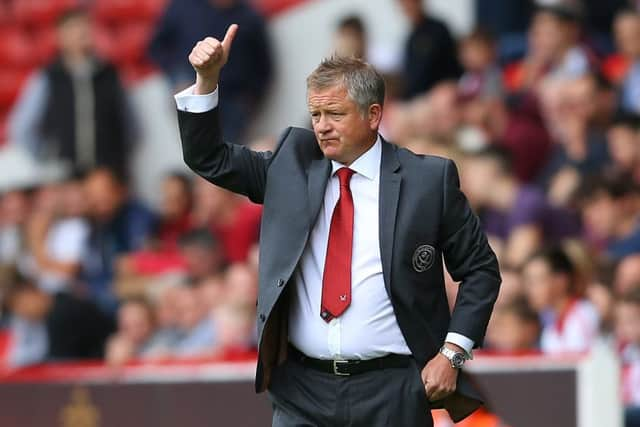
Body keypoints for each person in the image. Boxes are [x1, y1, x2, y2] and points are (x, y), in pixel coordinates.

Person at [176, 25, 501, 426]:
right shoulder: (289, 167)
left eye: (335, 114)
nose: (322, 125)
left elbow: (481, 270)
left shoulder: (427, 182)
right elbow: (209, 158)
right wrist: (207, 80)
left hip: (394, 389)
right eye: (315, 114)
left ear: (373, 115)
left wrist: (452, 353)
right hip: (301, 390)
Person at [8, 7, 134, 178]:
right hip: (63, 175)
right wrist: (46, 159)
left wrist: (115, 159)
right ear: (60, 37)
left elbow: (129, 125)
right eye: (74, 28)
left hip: (105, 175)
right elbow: (21, 127)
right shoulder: (47, 77)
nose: (81, 33)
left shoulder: (110, 75)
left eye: (85, 27)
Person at [397, 0, 462, 99]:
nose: (407, 7)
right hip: (415, 98)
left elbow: (453, 67)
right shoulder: (411, 38)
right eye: (404, 4)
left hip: (438, 95)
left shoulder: (439, 30)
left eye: (410, 3)